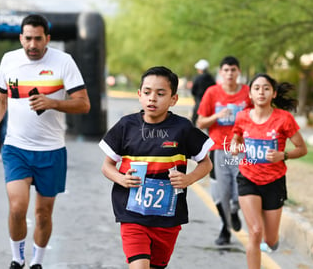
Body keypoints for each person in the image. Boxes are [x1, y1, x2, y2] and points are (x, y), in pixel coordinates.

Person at [0, 14, 91, 269]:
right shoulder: (9, 60)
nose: (32, 44)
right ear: (21, 38)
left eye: (38, 39)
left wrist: (53, 102)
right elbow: (0, 100)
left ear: (47, 39)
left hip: (51, 151)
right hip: (16, 147)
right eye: (27, 38)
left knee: (43, 214)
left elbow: (84, 104)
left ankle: (37, 263)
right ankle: (17, 260)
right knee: (18, 207)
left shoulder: (64, 62)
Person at [99, 66, 213, 269]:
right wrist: (121, 178)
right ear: (139, 95)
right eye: (147, 92)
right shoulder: (126, 126)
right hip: (132, 214)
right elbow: (107, 166)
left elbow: (206, 163)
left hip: (167, 218)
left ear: (173, 99)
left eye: (160, 94)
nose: (152, 98)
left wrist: (189, 179)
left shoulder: (183, 128)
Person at [230, 73, 307, 269]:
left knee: (270, 240)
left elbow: (302, 148)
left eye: (266, 88)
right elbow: (236, 138)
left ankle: (271, 241)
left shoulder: (284, 119)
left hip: (274, 181)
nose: (261, 92)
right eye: (256, 88)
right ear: (250, 94)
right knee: (255, 232)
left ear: (273, 93)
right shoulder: (242, 117)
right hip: (248, 178)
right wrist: (234, 146)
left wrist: (284, 155)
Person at [197, 56, 253, 245]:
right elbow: (200, 122)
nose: (230, 73)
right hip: (219, 149)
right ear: (221, 72)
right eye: (226, 70)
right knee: (221, 193)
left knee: (240, 192)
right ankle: (225, 227)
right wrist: (217, 115)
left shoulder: (247, 93)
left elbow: (258, 116)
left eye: (233, 70)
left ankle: (235, 211)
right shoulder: (212, 92)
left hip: (242, 149)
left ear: (238, 72)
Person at [191, 59, 215, 125]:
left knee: (194, 119)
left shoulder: (197, 78)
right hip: (209, 101)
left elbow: (193, 90)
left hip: (199, 100)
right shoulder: (211, 78)